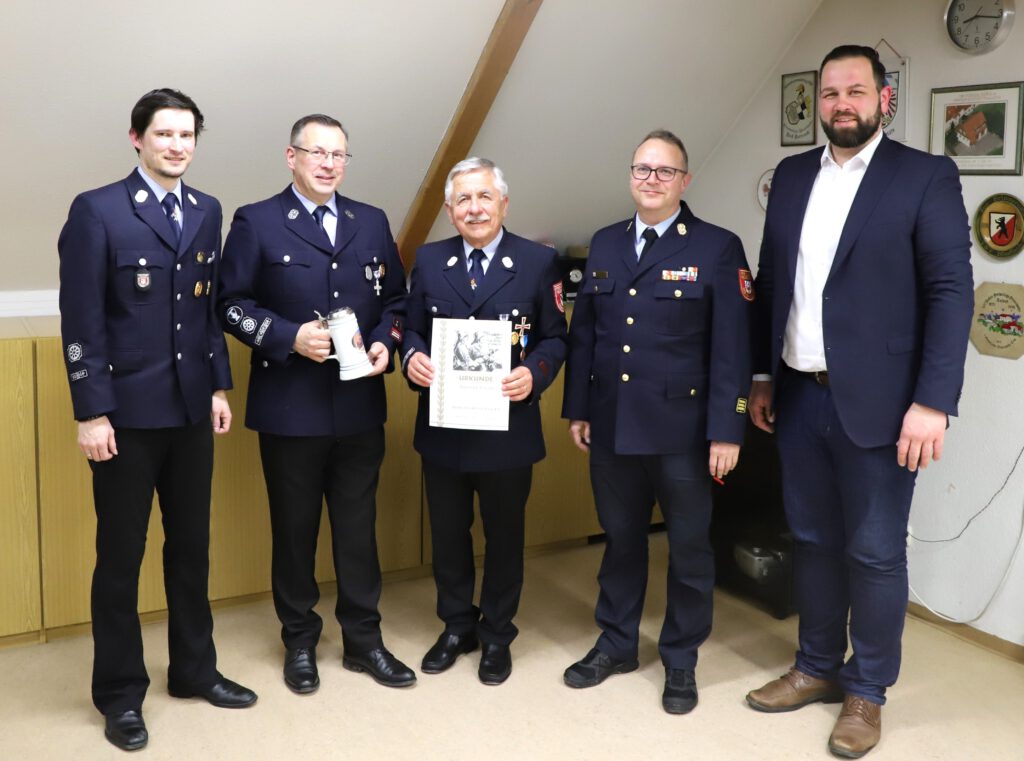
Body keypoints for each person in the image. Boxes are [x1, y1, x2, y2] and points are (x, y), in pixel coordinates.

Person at [744, 45, 973, 758]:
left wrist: (933, 402)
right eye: (830, 93)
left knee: (873, 552)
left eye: (856, 91)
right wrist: (761, 375)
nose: (841, 104)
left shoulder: (924, 176)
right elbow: (774, 281)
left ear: (884, 100)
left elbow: (950, 291)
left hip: (885, 405)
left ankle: (867, 689)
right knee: (812, 540)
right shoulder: (791, 176)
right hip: (798, 395)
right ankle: (816, 665)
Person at [58, 88, 257, 752]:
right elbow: (81, 321)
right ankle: (119, 694)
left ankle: (194, 669)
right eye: (164, 134)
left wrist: (219, 385)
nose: (176, 145)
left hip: (190, 409)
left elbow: (205, 309)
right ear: (136, 138)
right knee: (121, 558)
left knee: (191, 548)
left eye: (187, 135)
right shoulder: (98, 210)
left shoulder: (205, 210)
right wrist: (91, 411)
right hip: (126, 416)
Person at [217, 114, 413, 694]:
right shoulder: (257, 220)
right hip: (290, 409)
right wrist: (288, 337)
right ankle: (299, 642)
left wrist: (385, 342)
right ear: (292, 157)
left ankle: (364, 641)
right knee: (294, 532)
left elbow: (397, 301)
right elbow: (229, 304)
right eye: (317, 153)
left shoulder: (371, 221)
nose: (329, 164)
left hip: (358, 406)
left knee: (357, 531)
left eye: (339, 155)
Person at [561, 130, 754, 714]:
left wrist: (729, 429)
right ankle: (616, 643)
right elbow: (586, 335)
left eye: (664, 171)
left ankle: (681, 657)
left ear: (684, 181)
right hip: (613, 425)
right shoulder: (605, 242)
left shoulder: (718, 247)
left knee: (689, 550)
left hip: (683, 433)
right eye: (642, 169)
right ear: (630, 176)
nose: (651, 180)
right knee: (620, 541)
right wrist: (578, 407)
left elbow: (733, 349)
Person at [401, 158, 567, 685]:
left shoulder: (538, 262)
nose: (474, 208)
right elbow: (411, 329)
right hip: (444, 428)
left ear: (504, 204)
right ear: (451, 210)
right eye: (463, 200)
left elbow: (555, 337)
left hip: (508, 432)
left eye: (484, 197)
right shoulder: (430, 261)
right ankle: (456, 626)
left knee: (504, 538)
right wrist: (411, 357)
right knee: (448, 536)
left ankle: (497, 633)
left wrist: (534, 373)